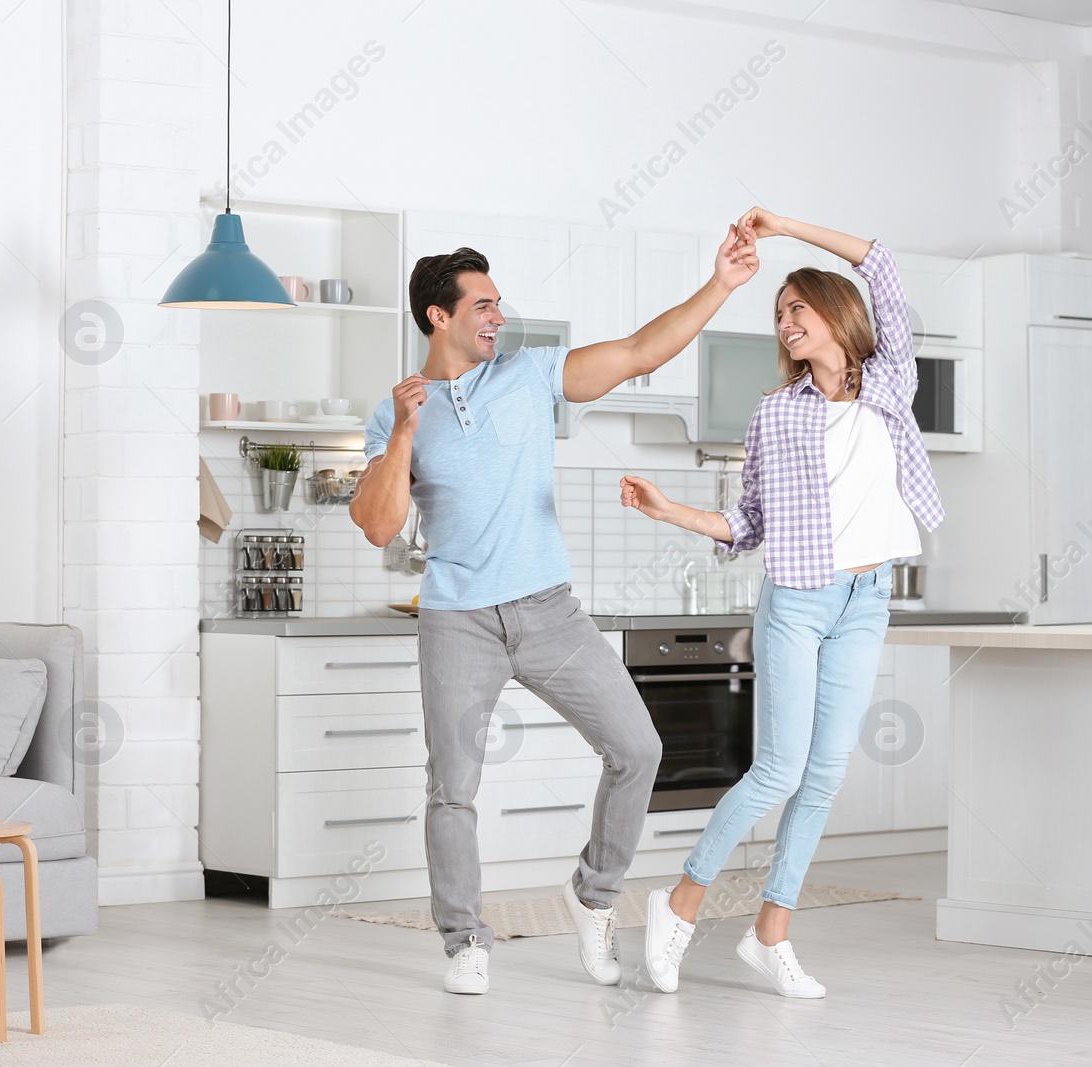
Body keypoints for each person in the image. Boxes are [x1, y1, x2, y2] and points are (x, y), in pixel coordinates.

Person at [349, 227, 758, 995]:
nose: (497, 316)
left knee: (638, 748)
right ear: (438, 317)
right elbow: (377, 523)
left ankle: (593, 893)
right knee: (453, 788)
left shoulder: (532, 375)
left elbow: (640, 350)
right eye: (482, 304)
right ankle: (466, 940)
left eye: (499, 303)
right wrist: (405, 429)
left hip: (548, 610)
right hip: (456, 619)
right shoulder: (394, 412)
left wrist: (722, 285)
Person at [622, 207, 944, 999]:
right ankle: (680, 903)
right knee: (778, 770)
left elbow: (884, 257)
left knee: (825, 776)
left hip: (867, 600)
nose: (784, 321)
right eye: (779, 314)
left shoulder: (891, 382)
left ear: (835, 315)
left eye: (796, 307)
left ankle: (772, 933)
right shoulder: (777, 412)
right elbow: (750, 522)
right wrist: (670, 512)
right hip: (798, 600)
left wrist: (785, 228)